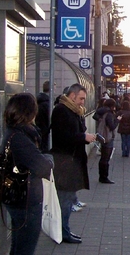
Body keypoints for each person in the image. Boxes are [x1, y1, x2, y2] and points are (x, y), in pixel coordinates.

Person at [2, 93, 53, 255]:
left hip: (20, 200)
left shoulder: (14, 135)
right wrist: (48, 161)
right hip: (25, 203)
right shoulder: (20, 138)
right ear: (30, 113)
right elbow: (42, 165)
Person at [50, 83, 96, 244]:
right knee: (65, 200)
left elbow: (76, 131)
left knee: (68, 199)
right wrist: (83, 137)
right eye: (81, 98)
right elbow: (63, 137)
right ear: (72, 96)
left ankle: (64, 230)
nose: (83, 102)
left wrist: (83, 130)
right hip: (65, 163)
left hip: (71, 161)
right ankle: (62, 233)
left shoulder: (74, 111)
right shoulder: (61, 111)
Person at [94, 98, 118, 183]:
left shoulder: (101, 111)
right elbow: (112, 126)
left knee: (103, 157)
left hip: (102, 136)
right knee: (106, 158)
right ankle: (104, 177)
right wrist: (117, 120)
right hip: (108, 137)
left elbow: (95, 116)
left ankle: (101, 176)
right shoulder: (109, 114)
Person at [35, 81, 51, 152]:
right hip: (44, 130)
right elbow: (49, 119)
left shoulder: (39, 101)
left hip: (40, 129)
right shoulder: (47, 103)